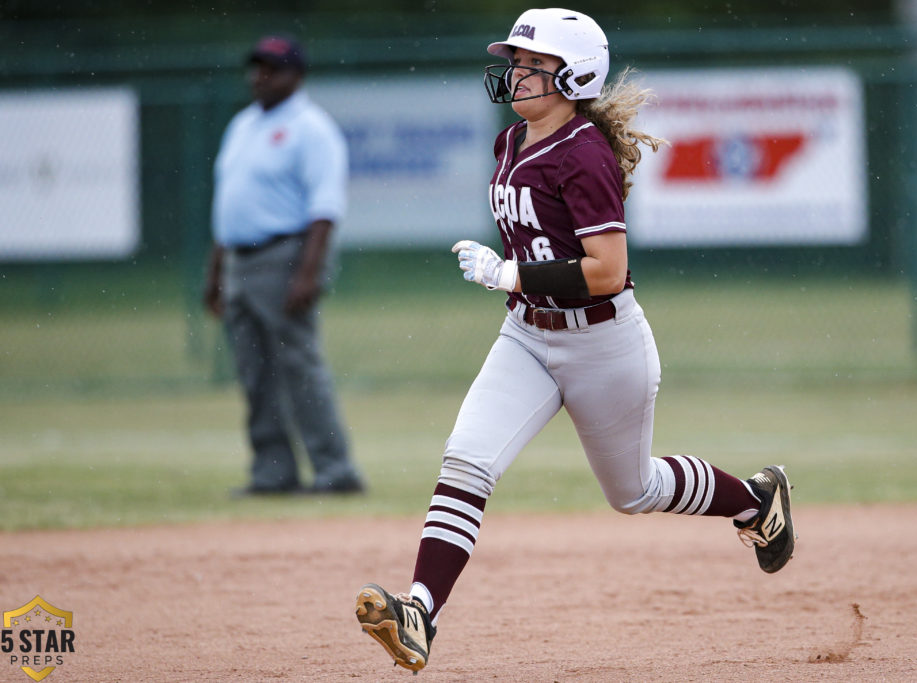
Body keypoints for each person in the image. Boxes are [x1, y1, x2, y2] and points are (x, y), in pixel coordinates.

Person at [355, 8, 795, 672]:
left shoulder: (584, 152)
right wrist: (517, 281)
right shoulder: (511, 143)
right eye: (517, 62)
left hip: (603, 343)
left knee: (635, 490)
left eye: (533, 64)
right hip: (527, 333)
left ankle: (758, 501)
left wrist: (509, 270)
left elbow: (608, 270)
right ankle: (420, 611)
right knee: (467, 461)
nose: (517, 73)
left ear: (574, 74)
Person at [203, 35, 364, 496]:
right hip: (239, 258)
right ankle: (272, 472)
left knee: (299, 368)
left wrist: (307, 272)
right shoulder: (243, 124)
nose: (260, 76)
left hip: (284, 255)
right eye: (256, 68)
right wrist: (214, 273)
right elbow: (228, 207)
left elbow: (325, 208)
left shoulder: (312, 128)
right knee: (254, 372)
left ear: (297, 75)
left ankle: (336, 470)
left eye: (271, 69)